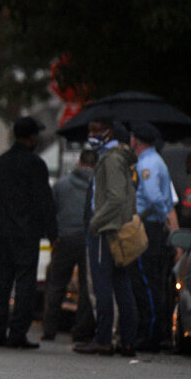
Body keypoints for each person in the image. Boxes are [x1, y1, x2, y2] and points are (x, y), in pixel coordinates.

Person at [0, 116, 57, 349]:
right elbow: (44, 201)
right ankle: (17, 333)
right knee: (25, 282)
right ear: (33, 137)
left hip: (3, 232)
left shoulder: (1, 163)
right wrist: (52, 233)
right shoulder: (35, 164)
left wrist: (3, 220)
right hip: (27, 234)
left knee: (2, 283)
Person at [73, 117, 138, 356]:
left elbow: (115, 198)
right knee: (121, 284)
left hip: (104, 231)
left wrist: (96, 222)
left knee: (103, 286)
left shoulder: (110, 160)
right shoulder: (121, 159)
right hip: (117, 229)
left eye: (96, 130)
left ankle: (103, 339)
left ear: (109, 133)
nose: (91, 134)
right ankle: (127, 339)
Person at [129, 122, 177, 351]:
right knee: (153, 281)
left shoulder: (147, 163)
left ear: (136, 140)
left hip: (147, 227)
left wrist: (162, 216)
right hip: (155, 227)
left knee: (145, 282)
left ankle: (149, 335)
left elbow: (153, 196)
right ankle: (154, 333)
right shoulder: (157, 160)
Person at [42, 150, 97, 343]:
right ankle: (81, 330)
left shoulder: (62, 184)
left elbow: (50, 211)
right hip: (88, 238)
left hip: (65, 238)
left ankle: (49, 329)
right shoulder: (98, 185)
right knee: (86, 286)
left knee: (56, 284)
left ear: (80, 162)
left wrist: (53, 237)